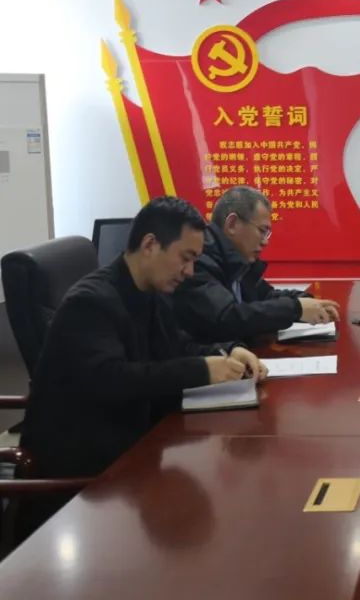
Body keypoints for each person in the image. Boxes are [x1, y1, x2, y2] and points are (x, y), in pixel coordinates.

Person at [21, 196, 269, 482]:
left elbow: (177, 346)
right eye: (185, 258)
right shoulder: (90, 303)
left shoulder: (150, 291)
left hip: (134, 446)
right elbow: (113, 379)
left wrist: (230, 350)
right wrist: (202, 369)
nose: (189, 271)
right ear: (150, 245)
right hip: (86, 471)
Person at [173, 186, 340, 342]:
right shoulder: (199, 260)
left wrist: (307, 302)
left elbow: (266, 296)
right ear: (232, 224)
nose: (265, 242)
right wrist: (295, 309)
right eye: (262, 231)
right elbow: (228, 318)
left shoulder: (237, 261)